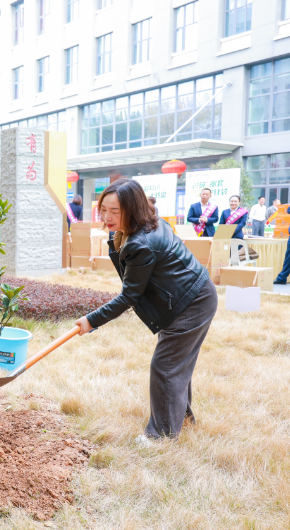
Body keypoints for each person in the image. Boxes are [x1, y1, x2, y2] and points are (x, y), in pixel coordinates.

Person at [75, 179, 217, 441]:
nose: (107, 217)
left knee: (165, 366)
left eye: (115, 211)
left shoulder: (141, 243)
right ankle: (180, 419)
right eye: (103, 209)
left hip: (192, 302)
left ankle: (161, 435)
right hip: (187, 295)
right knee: (176, 362)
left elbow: (129, 296)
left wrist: (90, 320)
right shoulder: (146, 221)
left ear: (132, 208)